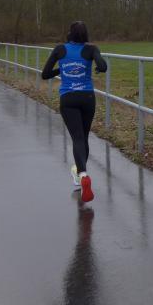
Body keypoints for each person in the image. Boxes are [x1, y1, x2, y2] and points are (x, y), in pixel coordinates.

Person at [41, 21, 107, 202]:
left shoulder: (60, 49)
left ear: (70, 33)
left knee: (77, 138)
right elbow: (103, 66)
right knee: (83, 137)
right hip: (87, 98)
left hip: (68, 99)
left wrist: (62, 68)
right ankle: (80, 173)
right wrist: (97, 66)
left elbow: (45, 74)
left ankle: (82, 175)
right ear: (85, 34)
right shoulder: (91, 49)